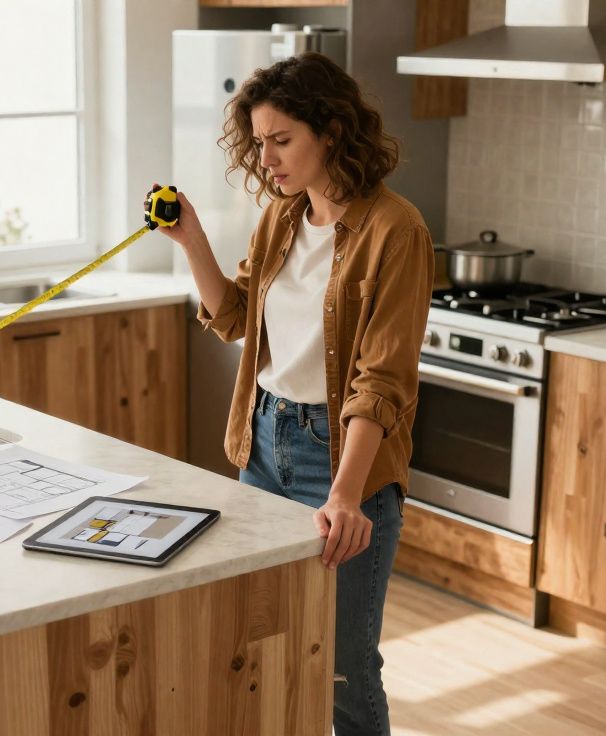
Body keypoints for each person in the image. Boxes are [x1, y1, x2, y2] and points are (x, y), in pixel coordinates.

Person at [154, 51, 433, 735]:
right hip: (264, 445)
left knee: (344, 667)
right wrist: (190, 240)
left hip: (340, 459)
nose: (268, 159)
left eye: (282, 140)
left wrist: (345, 493)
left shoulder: (396, 231)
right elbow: (235, 318)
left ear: (331, 132)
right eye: (260, 144)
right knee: (261, 639)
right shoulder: (282, 217)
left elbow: (382, 380)